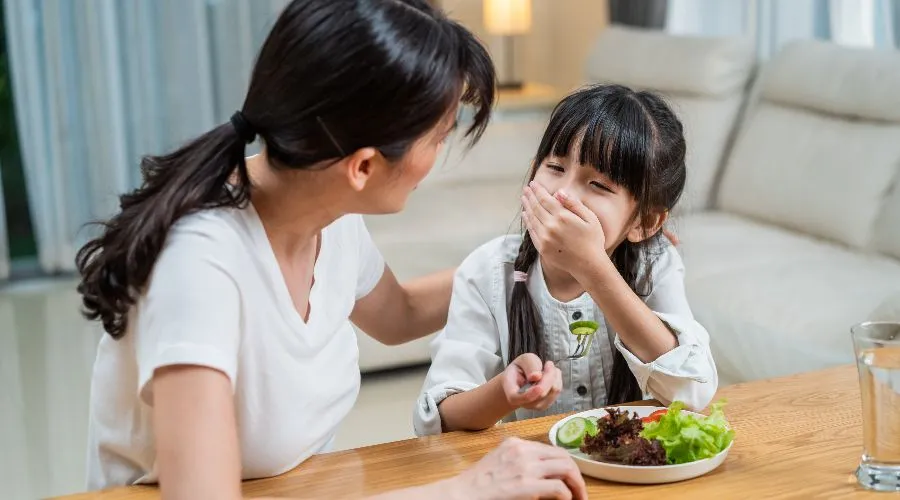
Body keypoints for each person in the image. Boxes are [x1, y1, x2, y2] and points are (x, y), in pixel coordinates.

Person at [76, 1, 587, 498]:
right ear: (362, 167)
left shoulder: (329, 216)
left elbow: (399, 314)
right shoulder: (199, 265)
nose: (437, 157)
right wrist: (465, 489)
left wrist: (533, 255)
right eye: (437, 137)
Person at [414, 84, 718, 436]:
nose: (564, 193)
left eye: (599, 185)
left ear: (644, 222)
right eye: (555, 167)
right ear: (532, 173)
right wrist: (504, 392)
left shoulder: (654, 265)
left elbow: (693, 391)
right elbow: (437, 420)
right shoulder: (488, 271)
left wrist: (592, 266)